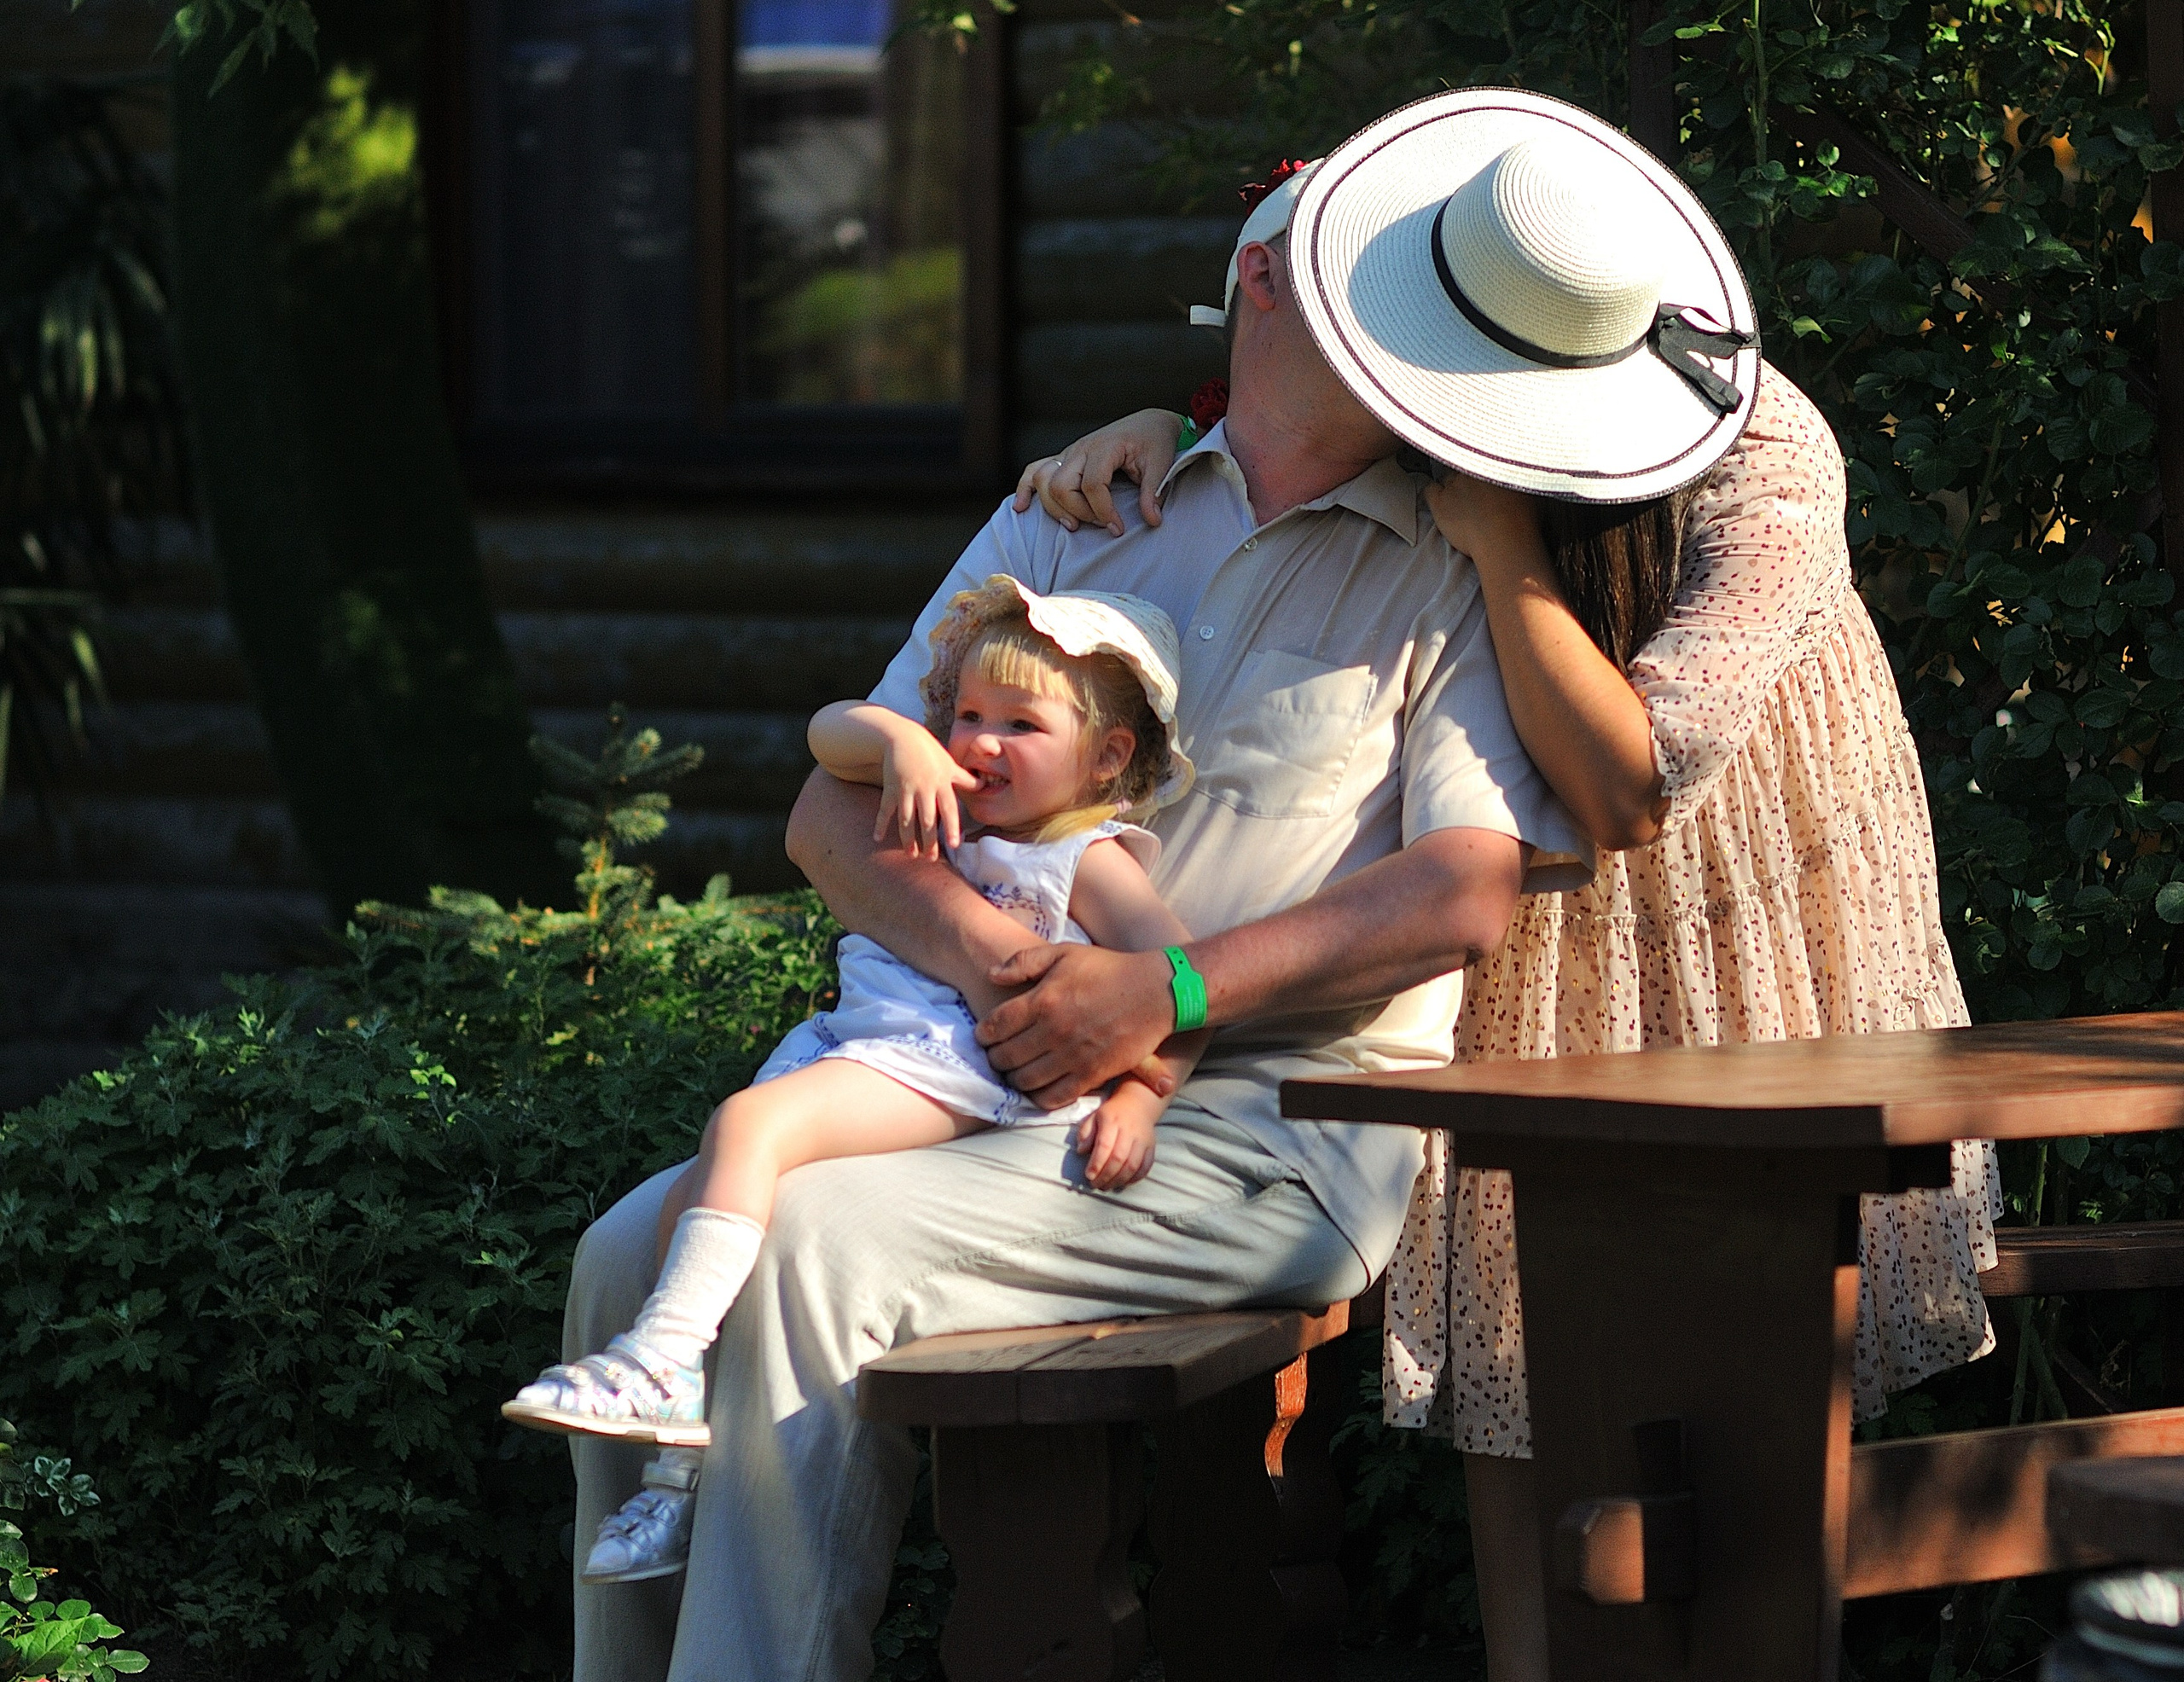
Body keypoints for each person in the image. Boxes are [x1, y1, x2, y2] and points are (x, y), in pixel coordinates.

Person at [553, 123, 1592, 1682]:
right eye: (1387, 304)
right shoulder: (1072, 514)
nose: (1420, 356)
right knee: (624, 1256)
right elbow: (835, 812)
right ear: (1264, 282)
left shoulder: (1447, 565)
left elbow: (1462, 894)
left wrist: (1161, 997)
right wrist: (1018, 971)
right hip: (987, 1077)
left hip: (1267, 1128)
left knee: (819, 1240)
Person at [1019, 88, 1998, 1681]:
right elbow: (1266, 436)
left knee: (1746, 1371)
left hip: (1729, 912)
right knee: (1531, 1371)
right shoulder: (1430, 379)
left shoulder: (1764, 454)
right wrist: (1150, 439)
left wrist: (1505, 551)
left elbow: (1631, 787)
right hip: (1522, 928)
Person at [504, 580, 1210, 1581]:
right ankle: (675, 1485)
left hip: (962, 1070)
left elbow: (1183, 985)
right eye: (966, 715)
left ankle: (660, 1358)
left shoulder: (1080, 859)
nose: (980, 741)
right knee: (708, 1180)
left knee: (749, 1126)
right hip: (863, 1046)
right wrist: (897, 742)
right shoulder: (939, 796)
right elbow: (826, 733)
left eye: (1020, 723)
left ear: (1106, 757)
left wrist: (1141, 1096)